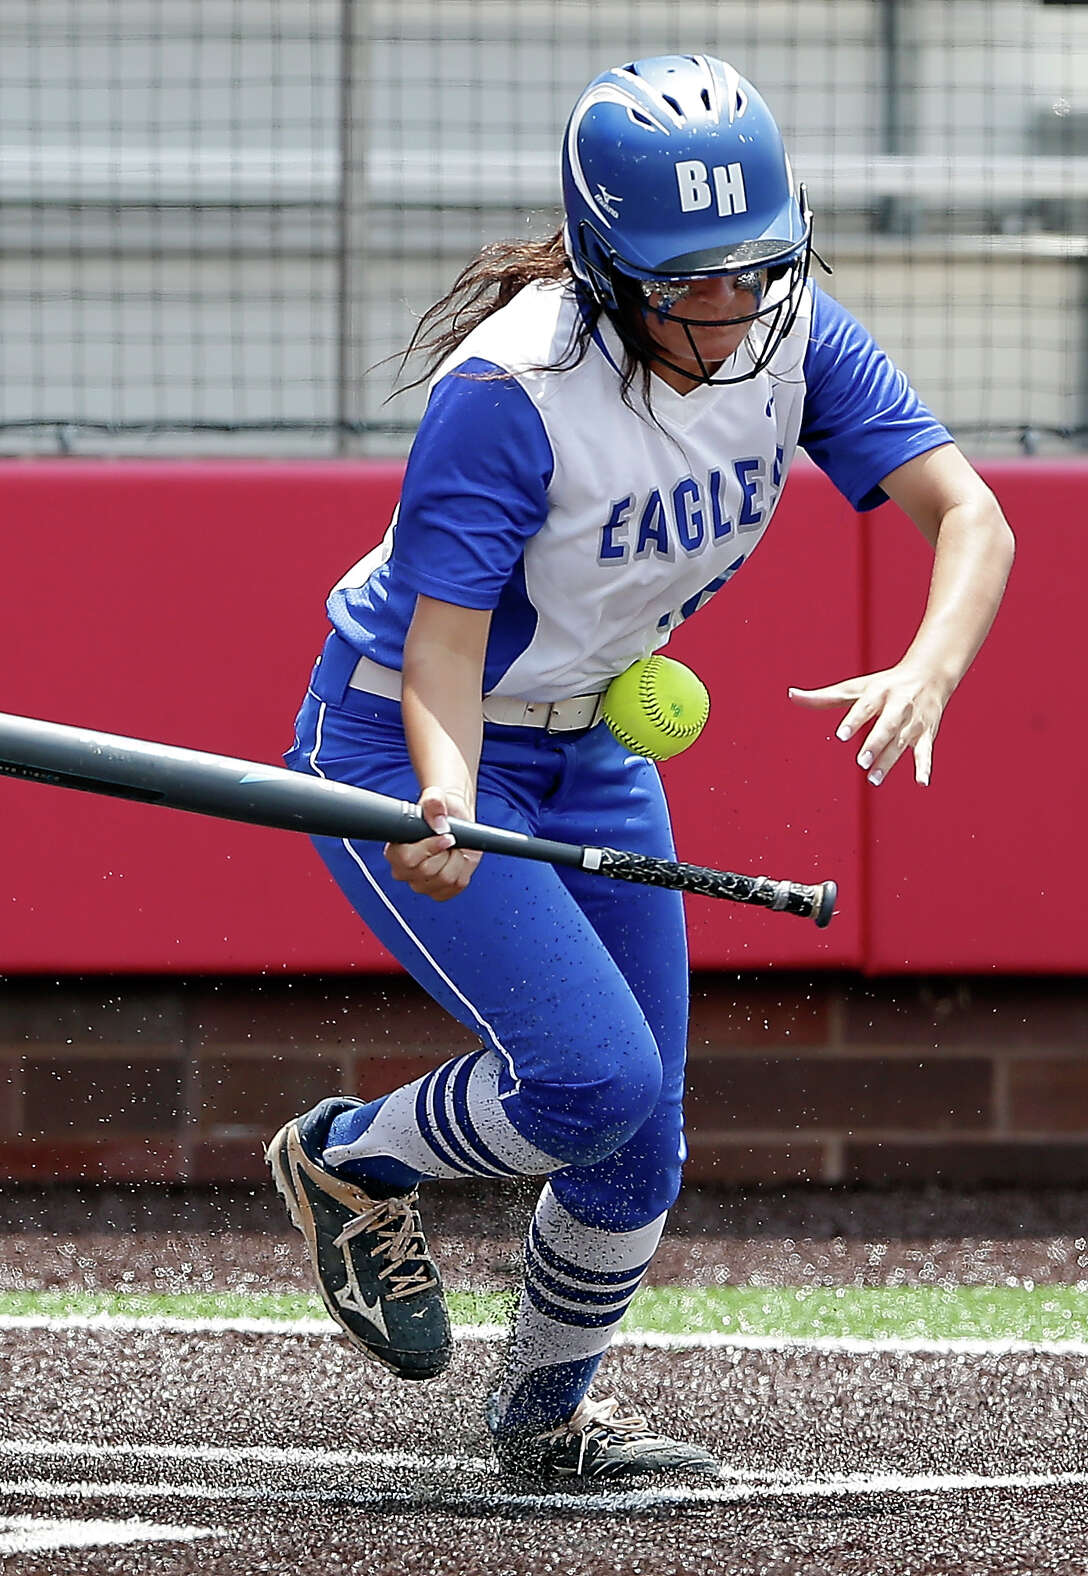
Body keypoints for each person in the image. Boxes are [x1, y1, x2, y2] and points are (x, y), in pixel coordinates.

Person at [267, 53, 1014, 1488]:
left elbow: (971, 516)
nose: (728, 310)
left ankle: (546, 1422)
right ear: (609, 266)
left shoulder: (794, 339)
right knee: (593, 1076)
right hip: (404, 738)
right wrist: (446, 792)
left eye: (754, 269)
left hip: (593, 743)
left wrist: (928, 667)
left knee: (640, 1133)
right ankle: (350, 1159)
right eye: (688, 282)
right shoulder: (511, 393)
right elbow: (439, 655)